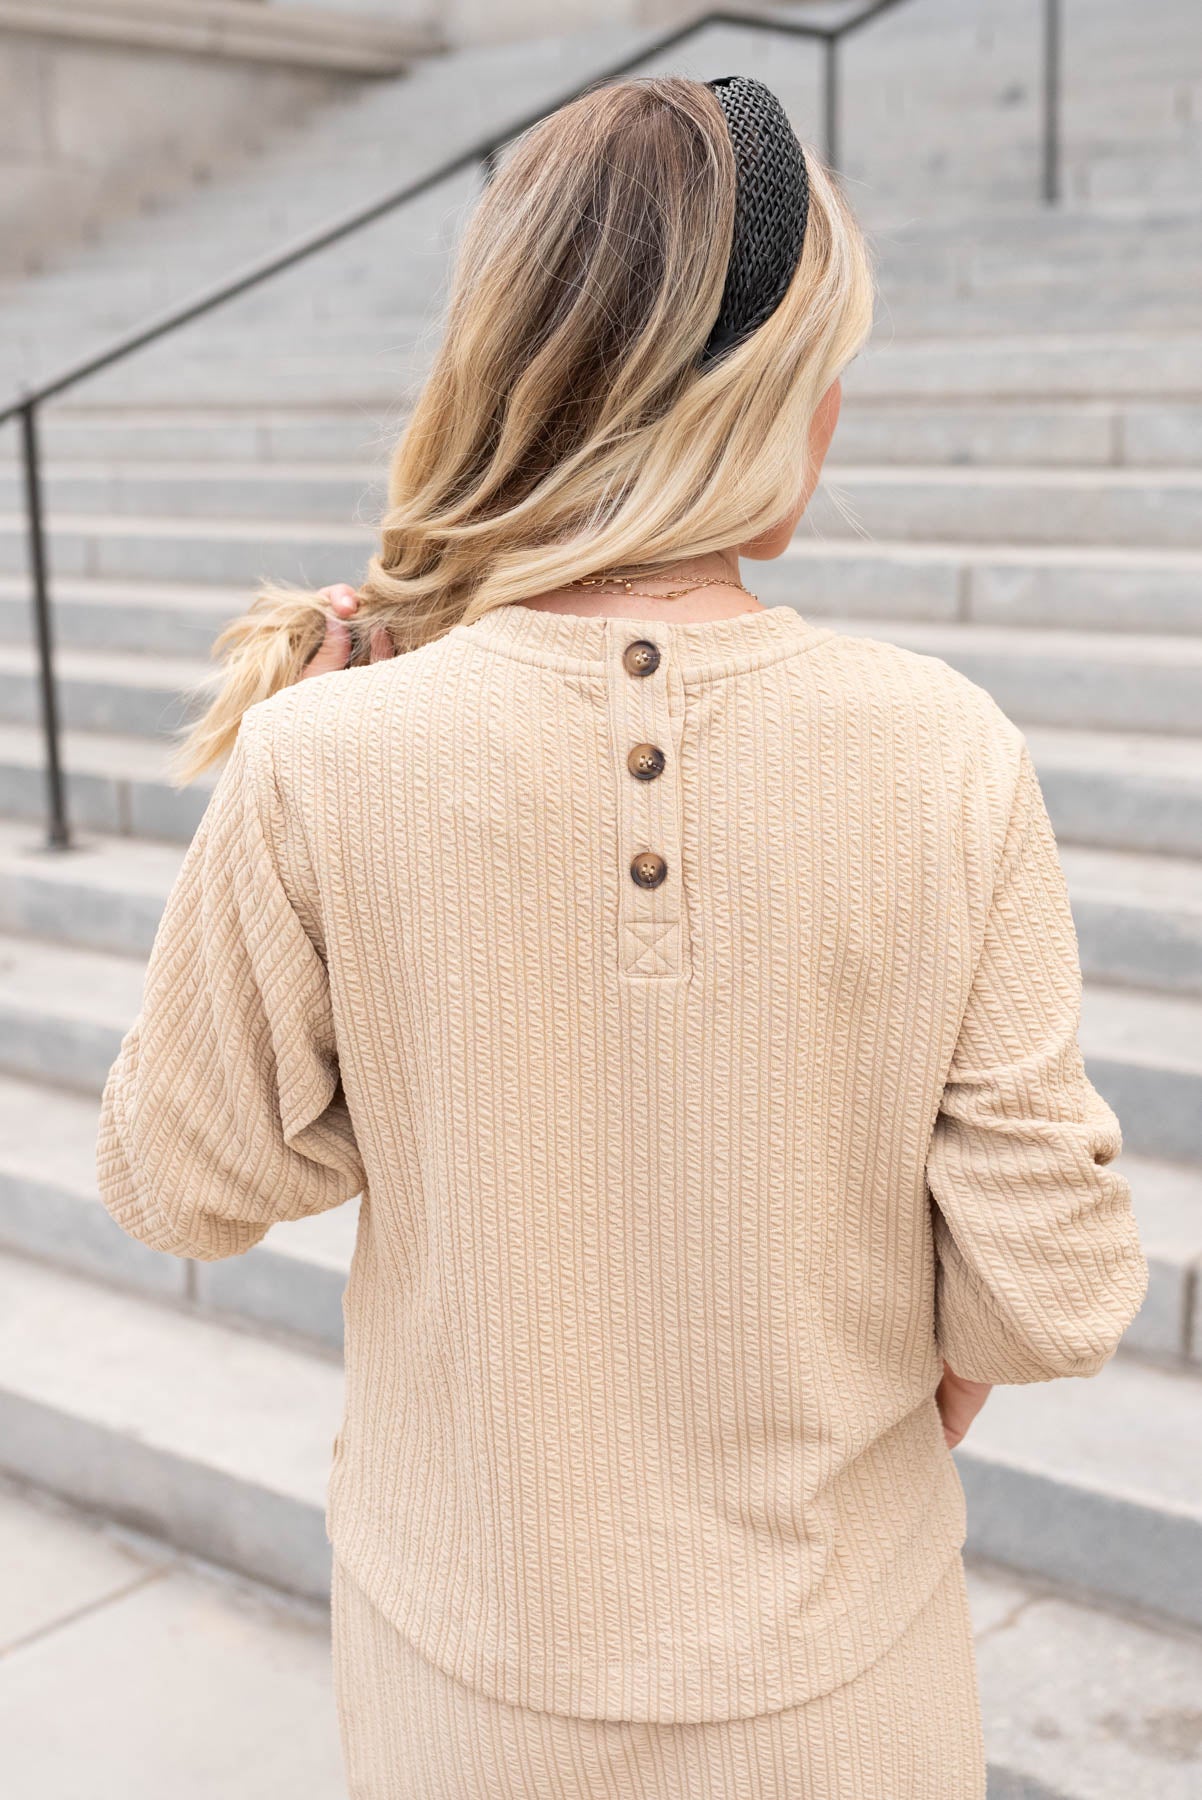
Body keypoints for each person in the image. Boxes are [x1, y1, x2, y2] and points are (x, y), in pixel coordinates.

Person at [95, 74, 1147, 1800]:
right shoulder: (945, 745)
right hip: (839, 1680)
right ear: (758, 406)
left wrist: (432, 1055)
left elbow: (182, 1180)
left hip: (459, 1678)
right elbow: (1049, 1290)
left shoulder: (324, 755)